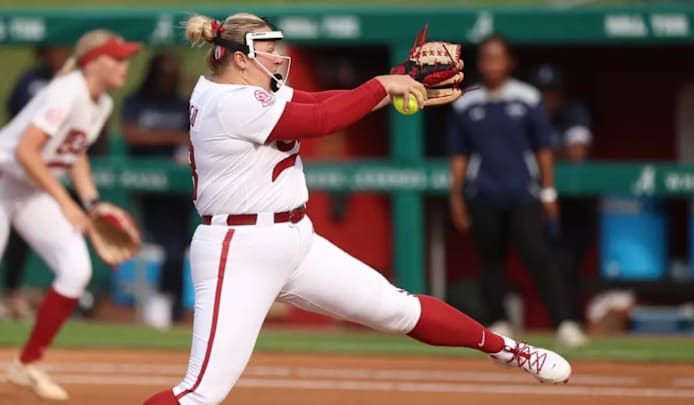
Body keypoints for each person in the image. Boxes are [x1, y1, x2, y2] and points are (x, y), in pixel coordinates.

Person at [143, 13, 571, 405]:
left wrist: (395, 79)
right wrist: (381, 86)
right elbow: (322, 121)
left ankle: (508, 350)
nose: (277, 57)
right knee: (200, 394)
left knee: (397, 307)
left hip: (295, 239)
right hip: (238, 249)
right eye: (268, 50)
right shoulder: (229, 102)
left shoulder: (241, 89)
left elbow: (318, 101)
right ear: (239, 59)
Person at [0, 30, 140, 401]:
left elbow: (74, 151)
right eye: (118, 58)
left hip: (30, 188)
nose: (126, 65)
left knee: (76, 269)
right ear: (94, 61)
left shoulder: (102, 102)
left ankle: (26, 364)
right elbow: (27, 152)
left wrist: (91, 202)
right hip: (4, 179)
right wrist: (66, 202)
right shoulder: (66, 90)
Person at [446, 35, 587, 348]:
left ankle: (564, 322)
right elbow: (458, 155)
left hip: (523, 193)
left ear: (510, 62)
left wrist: (548, 192)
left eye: (497, 58)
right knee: (490, 261)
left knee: (540, 257)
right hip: (483, 194)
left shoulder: (528, 98)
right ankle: (499, 322)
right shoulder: (467, 101)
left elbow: (543, 150)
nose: (491, 65)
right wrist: (456, 195)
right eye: (485, 58)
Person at [122, 52, 193, 328]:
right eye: (163, 73)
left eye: (172, 75)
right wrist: (175, 136)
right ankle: (167, 305)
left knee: (184, 246)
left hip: (180, 190)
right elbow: (132, 134)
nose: (168, 80)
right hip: (148, 191)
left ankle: (174, 305)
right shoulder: (137, 101)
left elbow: (197, 136)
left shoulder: (183, 103)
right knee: (171, 247)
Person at [2, 46, 71, 321]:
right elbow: (23, 148)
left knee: (75, 266)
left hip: (31, 180)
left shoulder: (88, 98)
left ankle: (15, 296)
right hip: (9, 173)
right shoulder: (33, 80)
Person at [528, 63, 595, 336]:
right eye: (540, 93)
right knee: (547, 261)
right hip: (535, 201)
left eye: (551, 92)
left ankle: (572, 322)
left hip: (574, 205)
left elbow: (577, 153)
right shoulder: (525, 114)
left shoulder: (572, 112)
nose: (546, 99)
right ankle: (565, 322)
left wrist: (539, 154)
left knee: (567, 263)